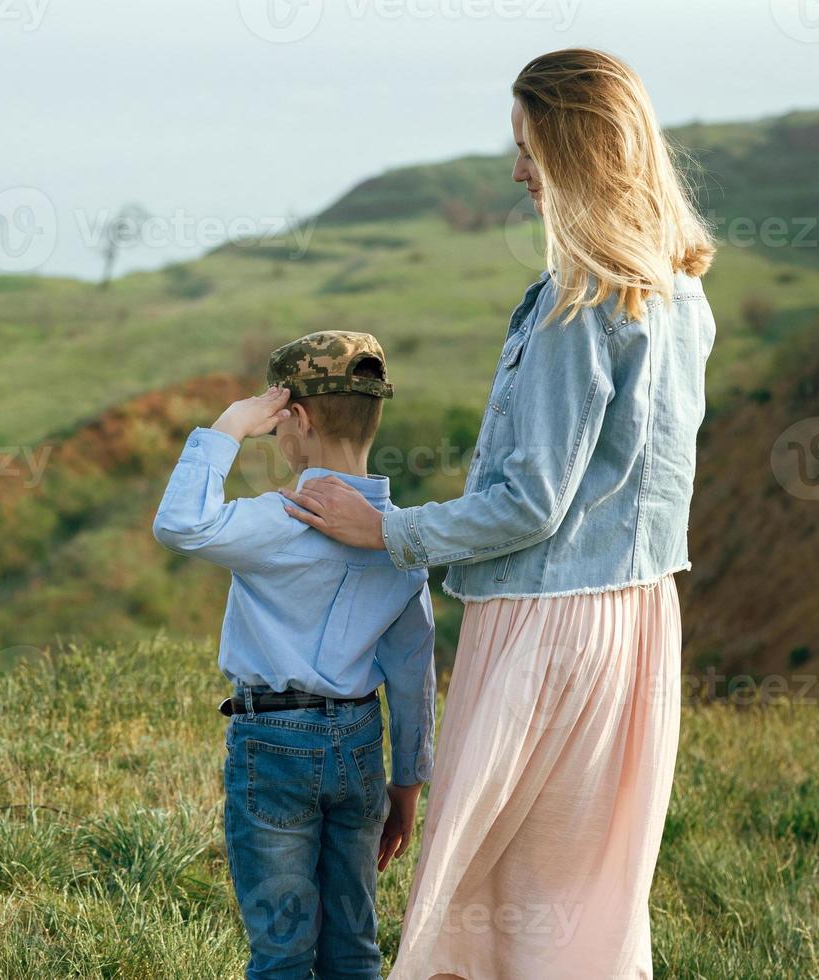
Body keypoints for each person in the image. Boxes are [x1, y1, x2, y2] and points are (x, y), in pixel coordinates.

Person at [281, 49, 716, 980]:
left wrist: (388, 532)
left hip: (547, 624)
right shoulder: (682, 296)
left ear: (577, 154)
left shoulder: (580, 304)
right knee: (591, 890)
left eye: (528, 148)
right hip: (640, 623)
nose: (517, 171)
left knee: (484, 883)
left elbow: (528, 503)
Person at [152, 331, 436, 980]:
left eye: (278, 425)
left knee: (282, 951)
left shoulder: (278, 519)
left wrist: (225, 428)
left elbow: (179, 524)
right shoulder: (399, 539)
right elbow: (413, 676)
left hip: (273, 742)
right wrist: (407, 787)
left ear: (297, 421)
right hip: (360, 747)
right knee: (354, 949)